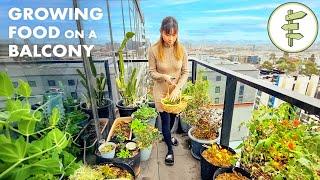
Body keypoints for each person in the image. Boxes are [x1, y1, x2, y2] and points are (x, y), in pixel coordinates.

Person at [147, 16, 189, 166]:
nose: (170, 38)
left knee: (172, 118)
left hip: (174, 92)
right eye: (167, 34)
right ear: (161, 32)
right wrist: (163, 76)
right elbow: (151, 72)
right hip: (161, 92)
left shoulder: (182, 49)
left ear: (177, 33)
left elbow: (185, 72)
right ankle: (170, 150)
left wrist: (177, 89)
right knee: (165, 120)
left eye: (174, 34)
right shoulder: (153, 50)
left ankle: (168, 136)